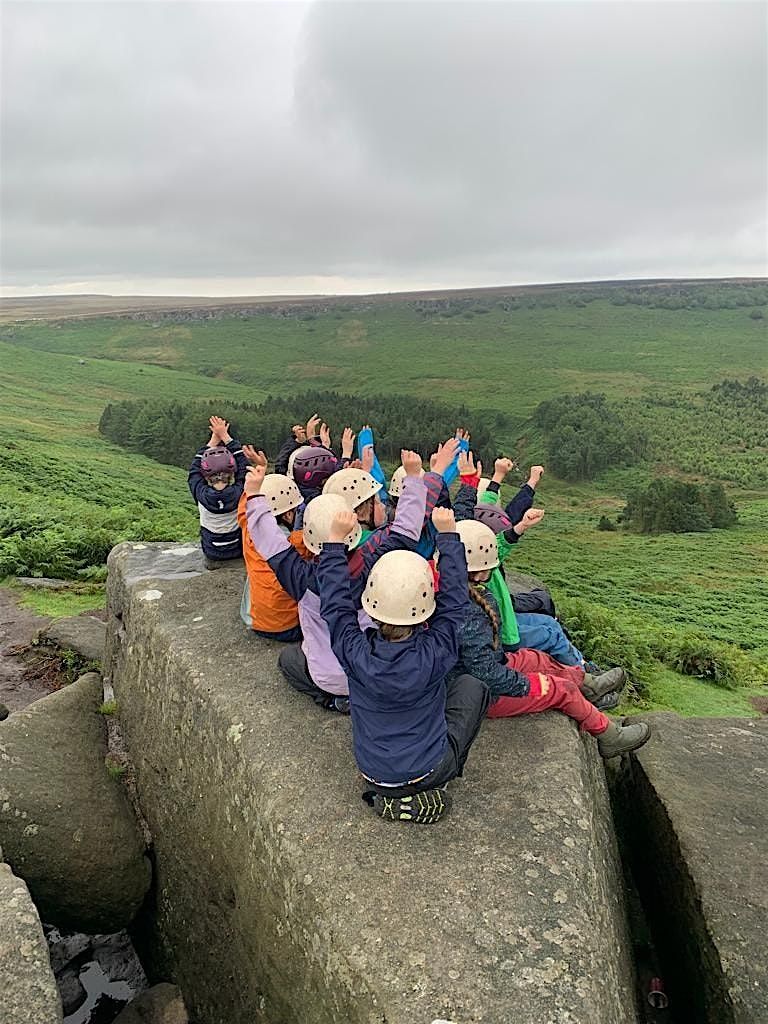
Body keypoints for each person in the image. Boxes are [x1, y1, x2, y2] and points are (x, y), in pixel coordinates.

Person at [317, 506, 490, 824]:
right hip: (427, 769)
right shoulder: (436, 651)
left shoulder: (353, 651)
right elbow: (454, 604)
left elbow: (335, 607)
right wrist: (448, 537)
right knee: (472, 686)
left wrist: (334, 544)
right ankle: (437, 782)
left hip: (373, 771)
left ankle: (392, 793)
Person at [243, 446, 446, 711]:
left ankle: (331, 699)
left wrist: (254, 496)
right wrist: (414, 478)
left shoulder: (300, 578)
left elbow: (271, 543)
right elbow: (405, 531)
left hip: (326, 677)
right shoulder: (373, 561)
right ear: (353, 526)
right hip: (367, 670)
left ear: (309, 536)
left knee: (289, 659)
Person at [450, 519, 651, 757]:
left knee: (536, 658)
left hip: (481, 671)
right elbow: (484, 672)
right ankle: (609, 736)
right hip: (481, 693)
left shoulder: (454, 591)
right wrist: (528, 684)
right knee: (561, 690)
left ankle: (589, 685)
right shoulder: (469, 612)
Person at [237, 465, 309, 642]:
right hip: (290, 627)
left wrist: (253, 490)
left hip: (256, 622)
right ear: (288, 515)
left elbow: (245, 510)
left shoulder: (248, 530)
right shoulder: (299, 543)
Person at [187, 415, 247, 569]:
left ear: (205, 474)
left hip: (212, 552)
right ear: (232, 472)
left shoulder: (200, 494)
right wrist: (226, 438)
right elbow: (244, 467)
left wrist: (213, 441)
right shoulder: (240, 492)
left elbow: (193, 472)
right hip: (238, 550)